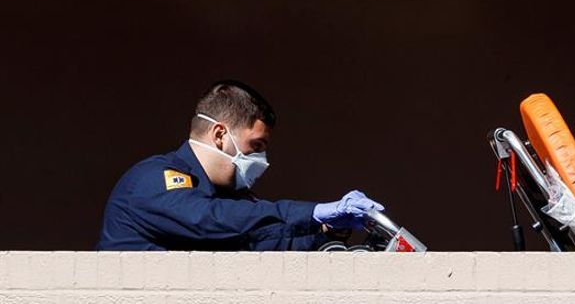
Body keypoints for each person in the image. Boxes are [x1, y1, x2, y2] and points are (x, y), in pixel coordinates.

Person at [97, 80, 384, 250]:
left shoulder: (222, 197)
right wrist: (315, 213)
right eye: (255, 146)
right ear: (220, 135)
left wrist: (325, 232)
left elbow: (256, 243)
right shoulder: (151, 180)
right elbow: (211, 221)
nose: (261, 160)